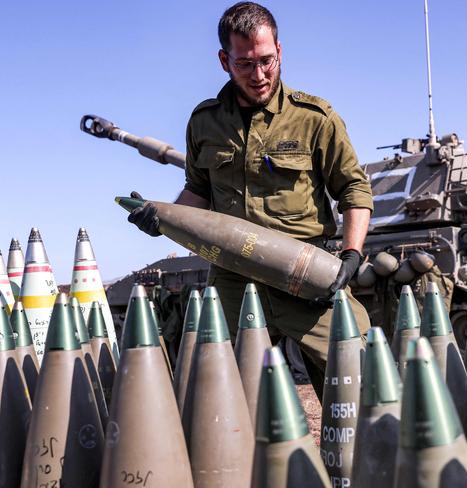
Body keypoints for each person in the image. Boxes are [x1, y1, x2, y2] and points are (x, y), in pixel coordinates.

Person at [128, 1, 373, 399]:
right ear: (224, 60)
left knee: (363, 377)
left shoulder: (316, 118)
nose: (259, 74)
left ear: (280, 50)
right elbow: (198, 191)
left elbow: (353, 189)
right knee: (208, 392)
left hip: (305, 272)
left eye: (267, 60)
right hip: (232, 277)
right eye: (244, 64)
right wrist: (162, 217)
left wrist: (351, 253)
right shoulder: (204, 122)